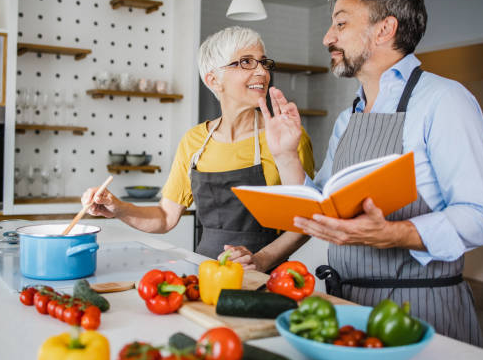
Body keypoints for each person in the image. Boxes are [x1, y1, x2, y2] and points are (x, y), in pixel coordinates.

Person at [259, 0, 483, 344]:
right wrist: (286, 154)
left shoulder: (444, 100)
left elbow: (479, 218)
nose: (328, 38)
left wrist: (393, 234)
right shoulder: (349, 115)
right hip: (345, 304)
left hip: (418, 310)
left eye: (341, 23)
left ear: (385, 29)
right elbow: (320, 206)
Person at [82, 26, 315, 271]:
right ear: (213, 79)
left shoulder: (288, 139)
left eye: (263, 62)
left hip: (269, 278)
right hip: (205, 273)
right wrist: (119, 209)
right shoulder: (194, 141)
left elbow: (307, 221)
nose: (261, 71)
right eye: (246, 62)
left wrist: (260, 260)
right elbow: (165, 217)